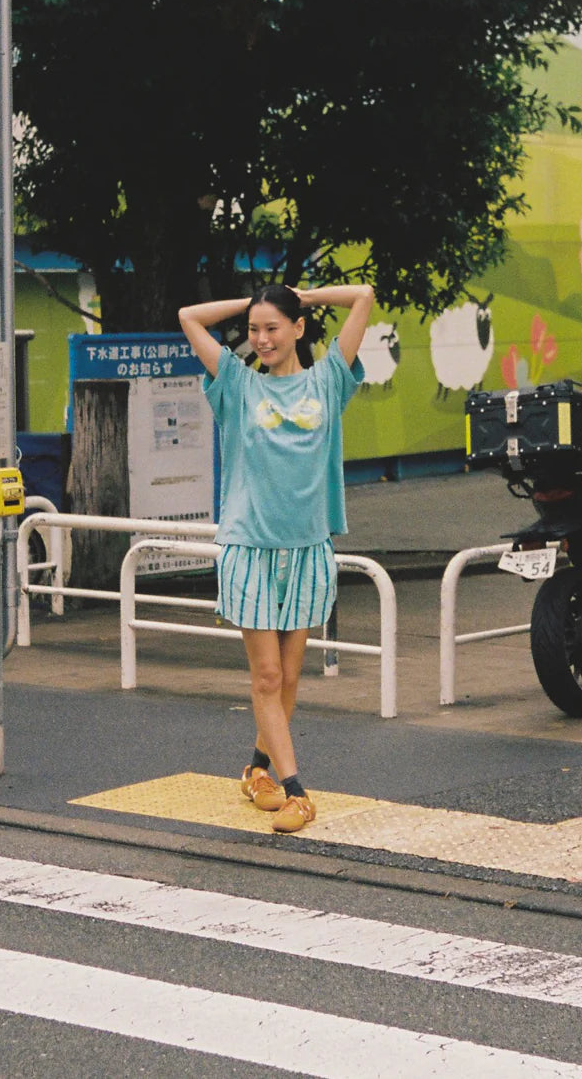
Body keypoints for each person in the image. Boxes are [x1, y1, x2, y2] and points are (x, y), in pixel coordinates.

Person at [178, 281, 374, 833]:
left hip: (307, 548)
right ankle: (296, 792)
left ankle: (257, 769)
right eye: (253, 330)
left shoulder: (328, 380)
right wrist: (252, 303)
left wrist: (302, 294)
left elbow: (363, 296)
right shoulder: (238, 384)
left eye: (272, 327)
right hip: (249, 547)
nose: (261, 339)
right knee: (266, 676)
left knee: (287, 677)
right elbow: (189, 315)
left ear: (298, 327)